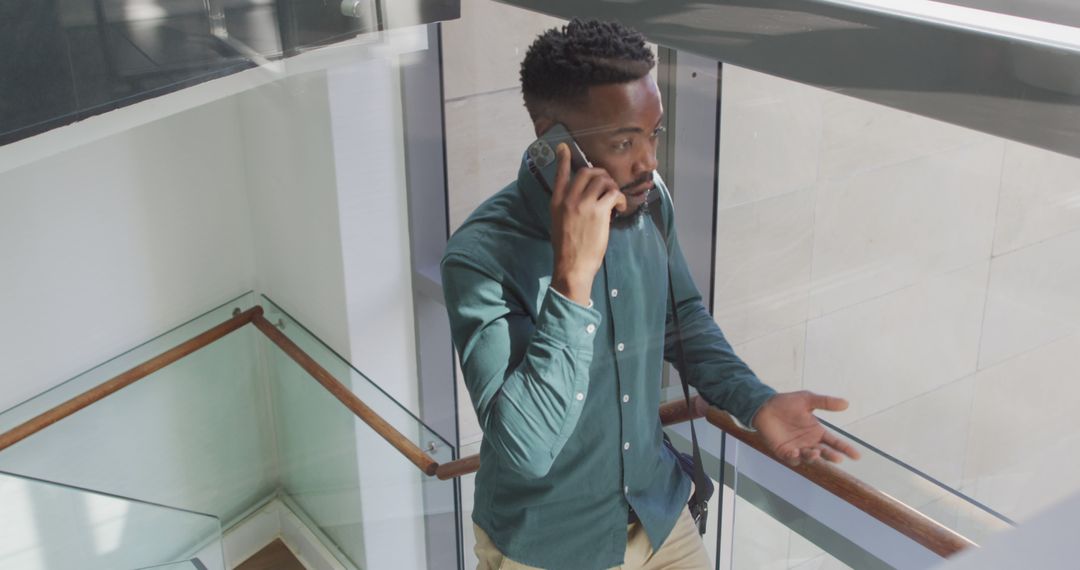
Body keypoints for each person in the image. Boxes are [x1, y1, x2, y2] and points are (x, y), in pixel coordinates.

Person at [441, 19, 859, 570]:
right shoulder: (479, 258)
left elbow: (679, 318)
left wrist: (754, 401)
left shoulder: (648, 202)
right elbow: (525, 449)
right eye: (623, 142)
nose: (649, 163)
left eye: (652, 134)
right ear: (552, 142)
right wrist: (572, 282)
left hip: (658, 513)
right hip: (549, 547)